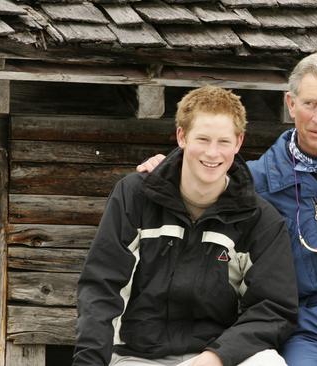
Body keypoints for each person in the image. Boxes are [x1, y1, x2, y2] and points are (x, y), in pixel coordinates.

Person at [139, 53, 317, 365]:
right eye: (308, 104)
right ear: (291, 104)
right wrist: (166, 165)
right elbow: (203, 174)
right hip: (303, 325)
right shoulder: (256, 180)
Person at [74, 86, 298, 366]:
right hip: (137, 356)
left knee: (269, 363)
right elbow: (101, 286)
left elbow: (273, 308)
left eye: (223, 141)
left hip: (217, 356)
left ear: (239, 142)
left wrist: (218, 355)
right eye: (202, 139)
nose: (212, 153)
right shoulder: (135, 196)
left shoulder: (260, 220)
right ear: (182, 136)